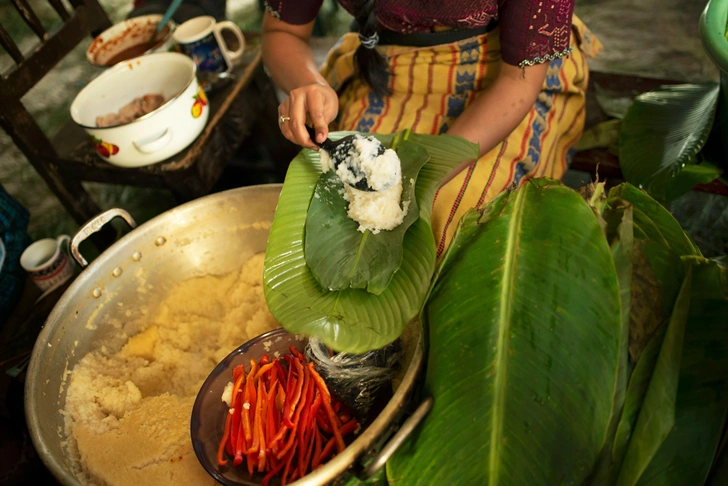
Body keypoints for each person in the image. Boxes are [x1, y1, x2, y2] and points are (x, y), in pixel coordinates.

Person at [262, 0, 602, 255]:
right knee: (341, 217)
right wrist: (309, 83)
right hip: (386, 65)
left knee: (446, 230)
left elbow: (518, 82)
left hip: (509, 71)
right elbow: (282, 33)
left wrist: (422, 173)